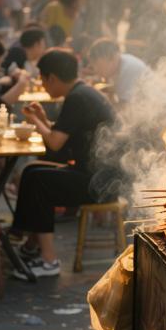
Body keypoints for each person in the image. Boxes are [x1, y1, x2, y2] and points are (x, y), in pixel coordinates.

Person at [11, 49, 115, 279]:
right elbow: (63, 134)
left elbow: (55, 143)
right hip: (97, 175)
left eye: (42, 79)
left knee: (38, 180)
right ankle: (30, 244)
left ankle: (49, 261)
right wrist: (43, 119)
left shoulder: (77, 98)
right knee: (32, 170)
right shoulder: (83, 92)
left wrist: (35, 121)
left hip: (99, 183)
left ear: (52, 78)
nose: (42, 85)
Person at [87, 38, 149, 104]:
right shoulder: (118, 65)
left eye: (97, 65)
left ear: (111, 58)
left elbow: (123, 107)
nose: (95, 70)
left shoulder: (127, 69)